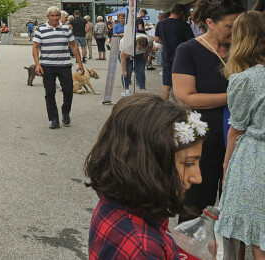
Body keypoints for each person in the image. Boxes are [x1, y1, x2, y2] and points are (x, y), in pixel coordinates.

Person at [85, 95, 206, 259]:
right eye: (188, 163)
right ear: (148, 163)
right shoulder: (142, 248)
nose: (197, 178)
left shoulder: (119, 205)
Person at [172, 0, 245, 220]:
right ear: (210, 23)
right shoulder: (188, 50)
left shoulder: (243, 50)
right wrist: (235, 96)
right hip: (202, 136)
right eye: (230, 27)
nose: (235, 33)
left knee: (235, 205)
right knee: (195, 202)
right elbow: (185, 97)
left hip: (240, 136)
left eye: (240, 26)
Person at [217, 11, 265, 259]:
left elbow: (236, 129)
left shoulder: (245, 80)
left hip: (254, 159)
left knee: (254, 233)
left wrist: (226, 167)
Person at [33, 6, 85, 129]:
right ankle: (54, 118)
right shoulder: (41, 29)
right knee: (49, 93)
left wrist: (80, 63)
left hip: (64, 65)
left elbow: (73, 45)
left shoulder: (66, 28)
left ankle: (65, 112)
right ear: (48, 17)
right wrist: (37, 64)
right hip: (47, 66)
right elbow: (35, 47)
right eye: (52, 16)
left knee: (68, 91)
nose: (55, 18)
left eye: (57, 15)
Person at [153, 3, 195, 101]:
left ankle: (164, 107)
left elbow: (156, 39)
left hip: (166, 56)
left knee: (166, 85)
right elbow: (191, 41)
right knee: (180, 86)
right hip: (182, 58)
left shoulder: (161, 23)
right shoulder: (184, 25)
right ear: (181, 13)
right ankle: (181, 109)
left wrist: (165, 42)